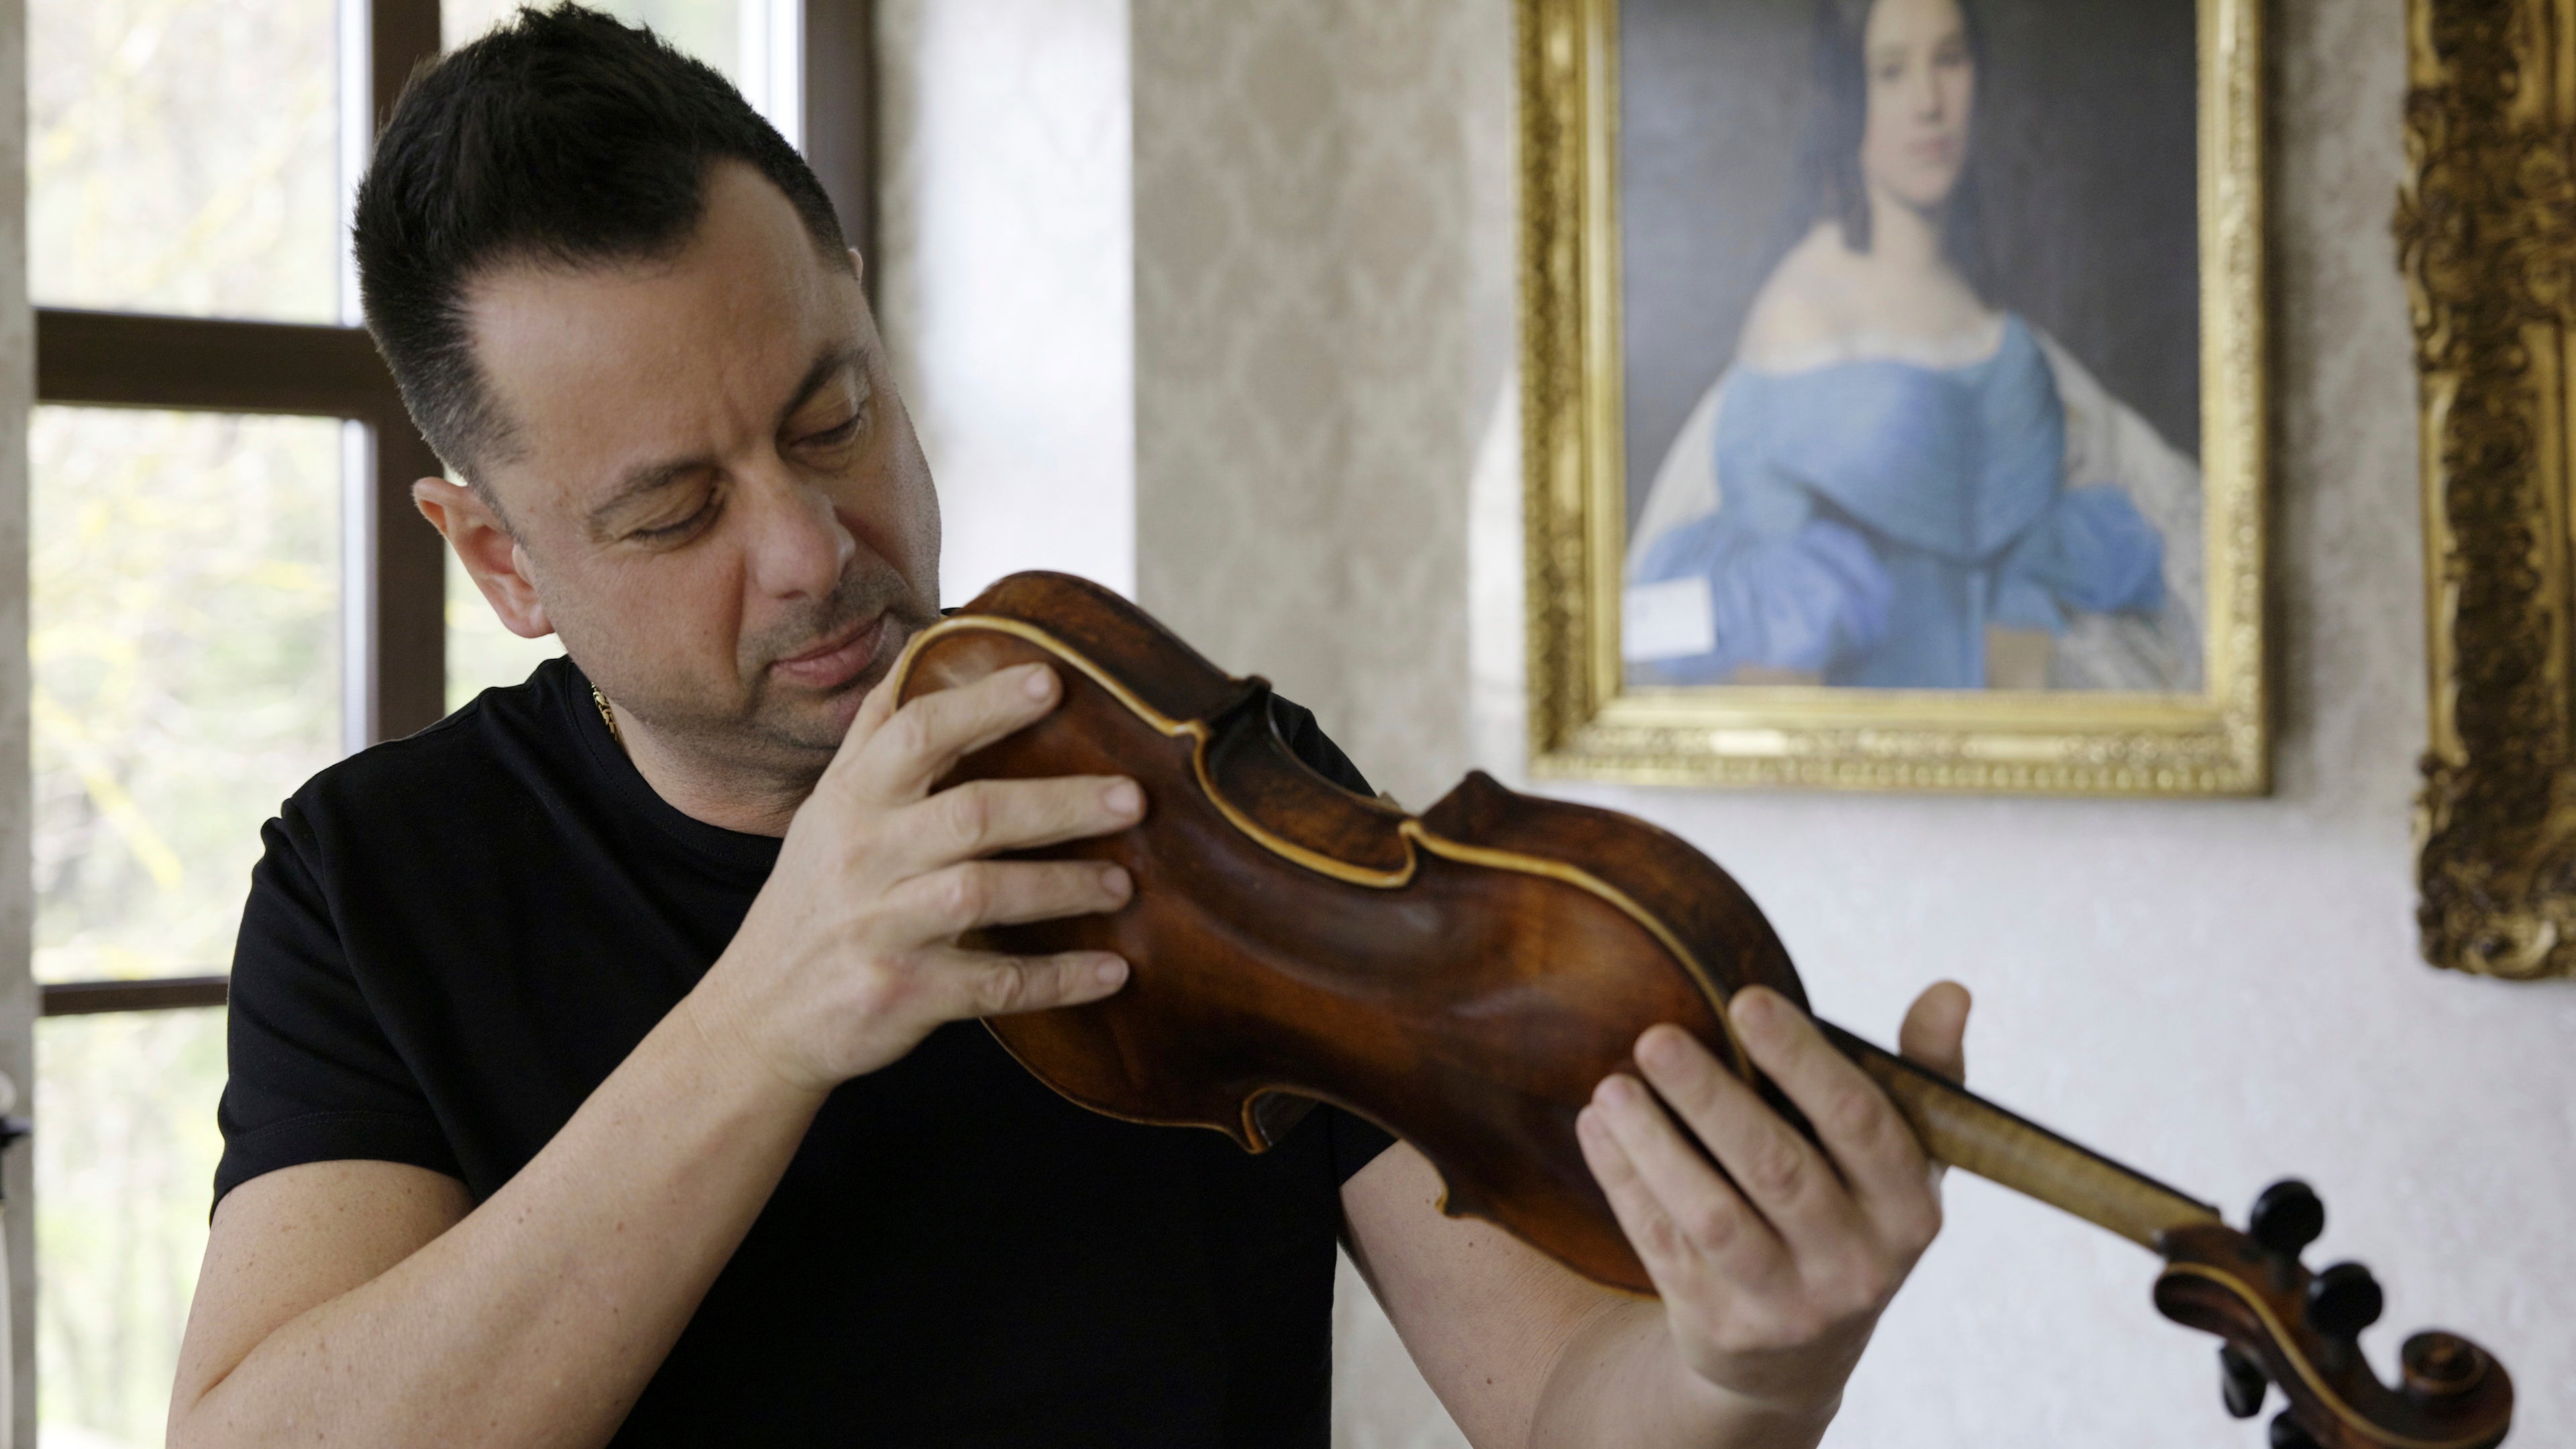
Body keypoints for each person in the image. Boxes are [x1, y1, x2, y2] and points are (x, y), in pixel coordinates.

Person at [167, 9, 1971, 1446]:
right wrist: (770, 1013)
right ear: (499, 559)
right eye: (672, 515)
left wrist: (1756, 1367)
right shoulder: (370, 880)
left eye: (831, 415)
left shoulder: (1212, 802)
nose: (812, 546)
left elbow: (1578, 1412)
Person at [1623, 0, 2203, 692]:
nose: (1929, 104)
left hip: (2021, 694)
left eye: (1949, 61)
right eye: (1892, 72)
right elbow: (1732, 590)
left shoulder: (1985, 309)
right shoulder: (1801, 315)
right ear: (1847, 95)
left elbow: (2151, 491)